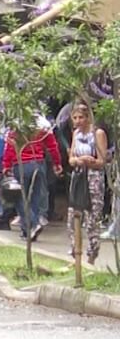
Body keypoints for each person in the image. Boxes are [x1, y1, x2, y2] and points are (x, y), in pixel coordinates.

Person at [1, 117, 63, 241]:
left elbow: (9, 147)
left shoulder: (16, 122)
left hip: (21, 164)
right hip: (38, 163)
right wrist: (57, 163)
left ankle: (31, 225)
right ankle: (29, 229)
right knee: (35, 196)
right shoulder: (43, 124)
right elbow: (52, 146)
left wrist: (6, 165)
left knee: (19, 197)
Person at [67, 103, 108, 264]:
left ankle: (93, 250)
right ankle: (74, 251)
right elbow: (71, 159)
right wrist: (79, 160)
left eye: (81, 117)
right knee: (73, 214)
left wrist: (89, 162)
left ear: (88, 118)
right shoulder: (75, 134)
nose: (78, 121)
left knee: (92, 216)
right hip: (78, 175)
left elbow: (101, 161)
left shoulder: (97, 134)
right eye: (75, 118)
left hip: (93, 176)